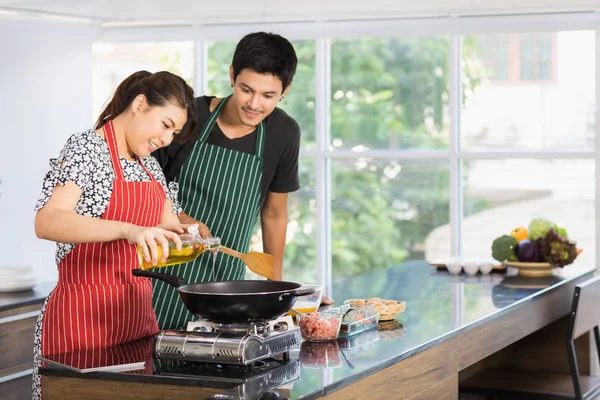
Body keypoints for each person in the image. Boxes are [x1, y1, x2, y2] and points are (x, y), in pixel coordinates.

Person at [31, 70, 197, 399]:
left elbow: (167, 225)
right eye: (166, 125)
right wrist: (127, 230)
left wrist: (190, 237)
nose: (166, 140)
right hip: (80, 331)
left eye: (173, 133)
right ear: (140, 104)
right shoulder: (88, 148)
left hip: (136, 325)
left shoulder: (150, 166)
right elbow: (47, 221)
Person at [153, 31, 325, 331]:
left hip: (225, 285)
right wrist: (179, 218)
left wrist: (278, 289)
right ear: (232, 75)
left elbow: (274, 212)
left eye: (268, 95)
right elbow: (144, 189)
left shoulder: (283, 133)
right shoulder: (188, 116)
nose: (255, 104)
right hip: (163, 267)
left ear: (285, 90)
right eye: (247, 90)